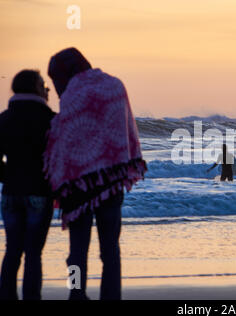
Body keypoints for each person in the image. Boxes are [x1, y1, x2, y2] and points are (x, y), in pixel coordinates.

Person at [43, 48, 147, 300]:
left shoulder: (73, 94)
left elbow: (62, 138)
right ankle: (111, 296)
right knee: (110, 250)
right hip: (111, 182)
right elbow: (126, 129)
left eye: (55, 79)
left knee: (77, 249)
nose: (56, 86)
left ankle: (76, 294)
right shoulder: (115, 86)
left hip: (80, 186)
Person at [0, 70, 55, 300]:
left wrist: (8, 175)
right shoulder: (50, 120)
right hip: (39, 192)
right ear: (35, 87)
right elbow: (60, 158)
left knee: (12, 250)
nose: (47, 90)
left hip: (11, 192)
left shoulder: (4, 118)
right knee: (33, 252)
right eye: (44, 85)